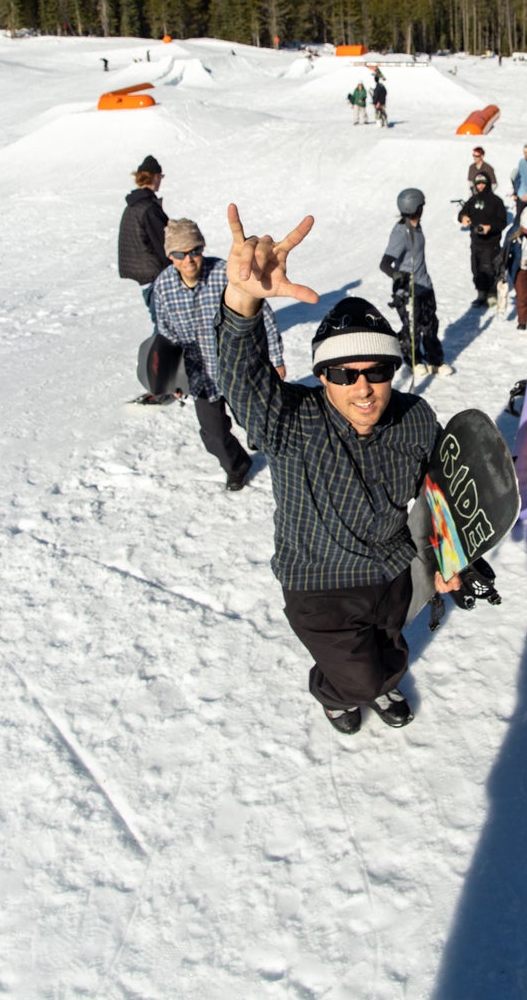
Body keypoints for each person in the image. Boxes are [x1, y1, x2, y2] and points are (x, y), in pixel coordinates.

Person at [217, 208, 437, 735]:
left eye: (377, 371)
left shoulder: (415, 419)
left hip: (392, 573)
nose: (363, 388)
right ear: (321, 377)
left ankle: (379, 684)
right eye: (343, 373)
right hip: (321, 586)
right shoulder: (290, 419)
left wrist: (451, 557)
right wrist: (244, 301)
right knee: (355, 676)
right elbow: (240, 377)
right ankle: (337, 694)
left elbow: (440, 492)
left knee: (390, 648)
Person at [152, 219, 285, 490]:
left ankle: (269, 448)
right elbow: (166, 334)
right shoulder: (163, 287)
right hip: (198, 374)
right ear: (170, 257)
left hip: (238, 366)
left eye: (195, 251)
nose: (188, 259)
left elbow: (264, 317)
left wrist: (277, 359)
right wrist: (171, 377)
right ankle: (238, 465)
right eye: (180, 254)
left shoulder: (225, 273)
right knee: (213, 435)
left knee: (258, 421)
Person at [381, 188, 448, 374]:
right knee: (412, 328)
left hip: (425, 285)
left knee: (430, 325)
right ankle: (414, 360)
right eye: (421, 206)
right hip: (408, 290)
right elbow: (384, 264)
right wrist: (398, 277)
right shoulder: (401, 232)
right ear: (416, 208)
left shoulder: (416, 226)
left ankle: (435, 361)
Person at [117, 155, 171, 318]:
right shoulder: (148, 207)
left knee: (162, 323)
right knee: (165, 325)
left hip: (145, 275)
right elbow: (164, 243)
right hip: (156, 276)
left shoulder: (133, 206)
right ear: (155, 177)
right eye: (160, 177)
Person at [458, 175, 509, 308]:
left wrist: (490, 227)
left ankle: (492, 294)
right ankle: (481, 294)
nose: (480, 186)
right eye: (478, 184)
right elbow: (462, 213)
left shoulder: (496, 201)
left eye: (483, 184)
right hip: (476, 242)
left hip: (491, 243)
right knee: (476, 268)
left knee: (490, 269)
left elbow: (502, 222)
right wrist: (463, 217)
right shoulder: (473, 200)